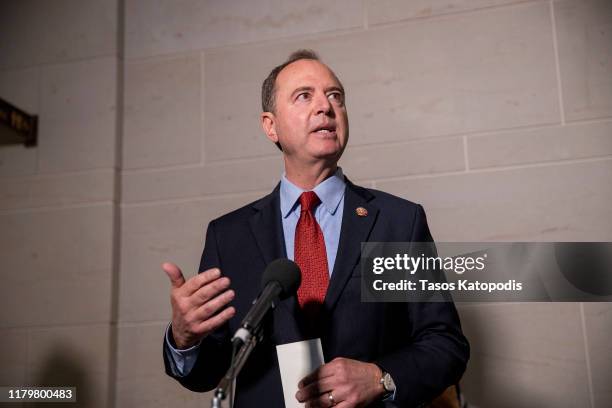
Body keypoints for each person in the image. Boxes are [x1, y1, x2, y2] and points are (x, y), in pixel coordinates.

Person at [162, 49, 469, 408]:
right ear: (270, 125)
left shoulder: (397, 222)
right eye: (304, 95)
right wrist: (184, 339)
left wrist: (380, 377)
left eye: (335, 96)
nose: (325, 106)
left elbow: (445, 344)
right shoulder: (229, 236)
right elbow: (208, 372)